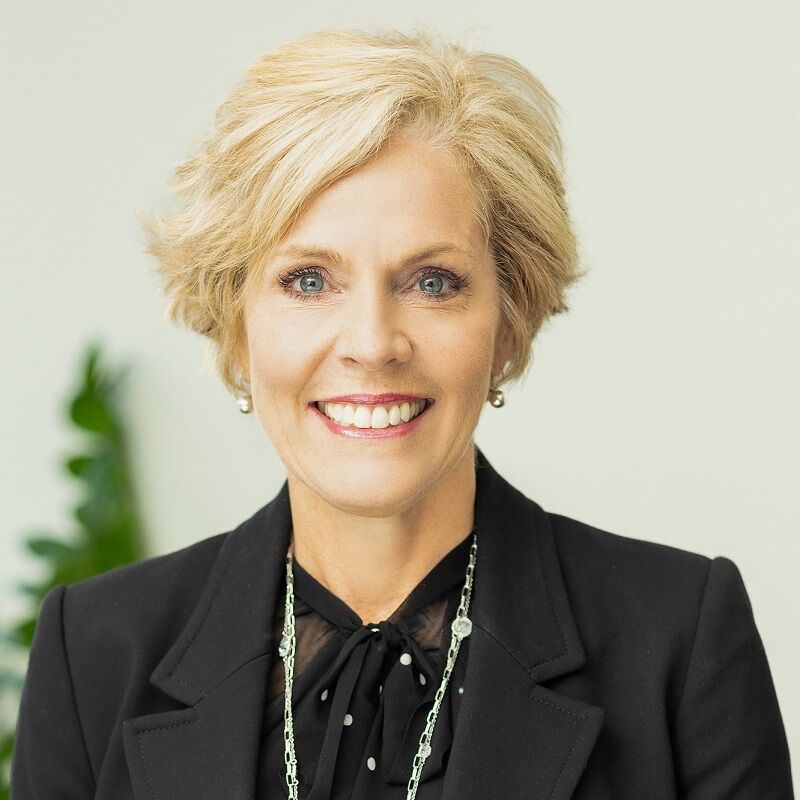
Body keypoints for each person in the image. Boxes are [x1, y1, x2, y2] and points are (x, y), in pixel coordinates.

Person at [11, 22, 793, 800]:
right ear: (235, 323)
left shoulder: (682, 639)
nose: (373, 343)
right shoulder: (94, 651)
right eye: (309, 281)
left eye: (432, 282)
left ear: (508, 323)